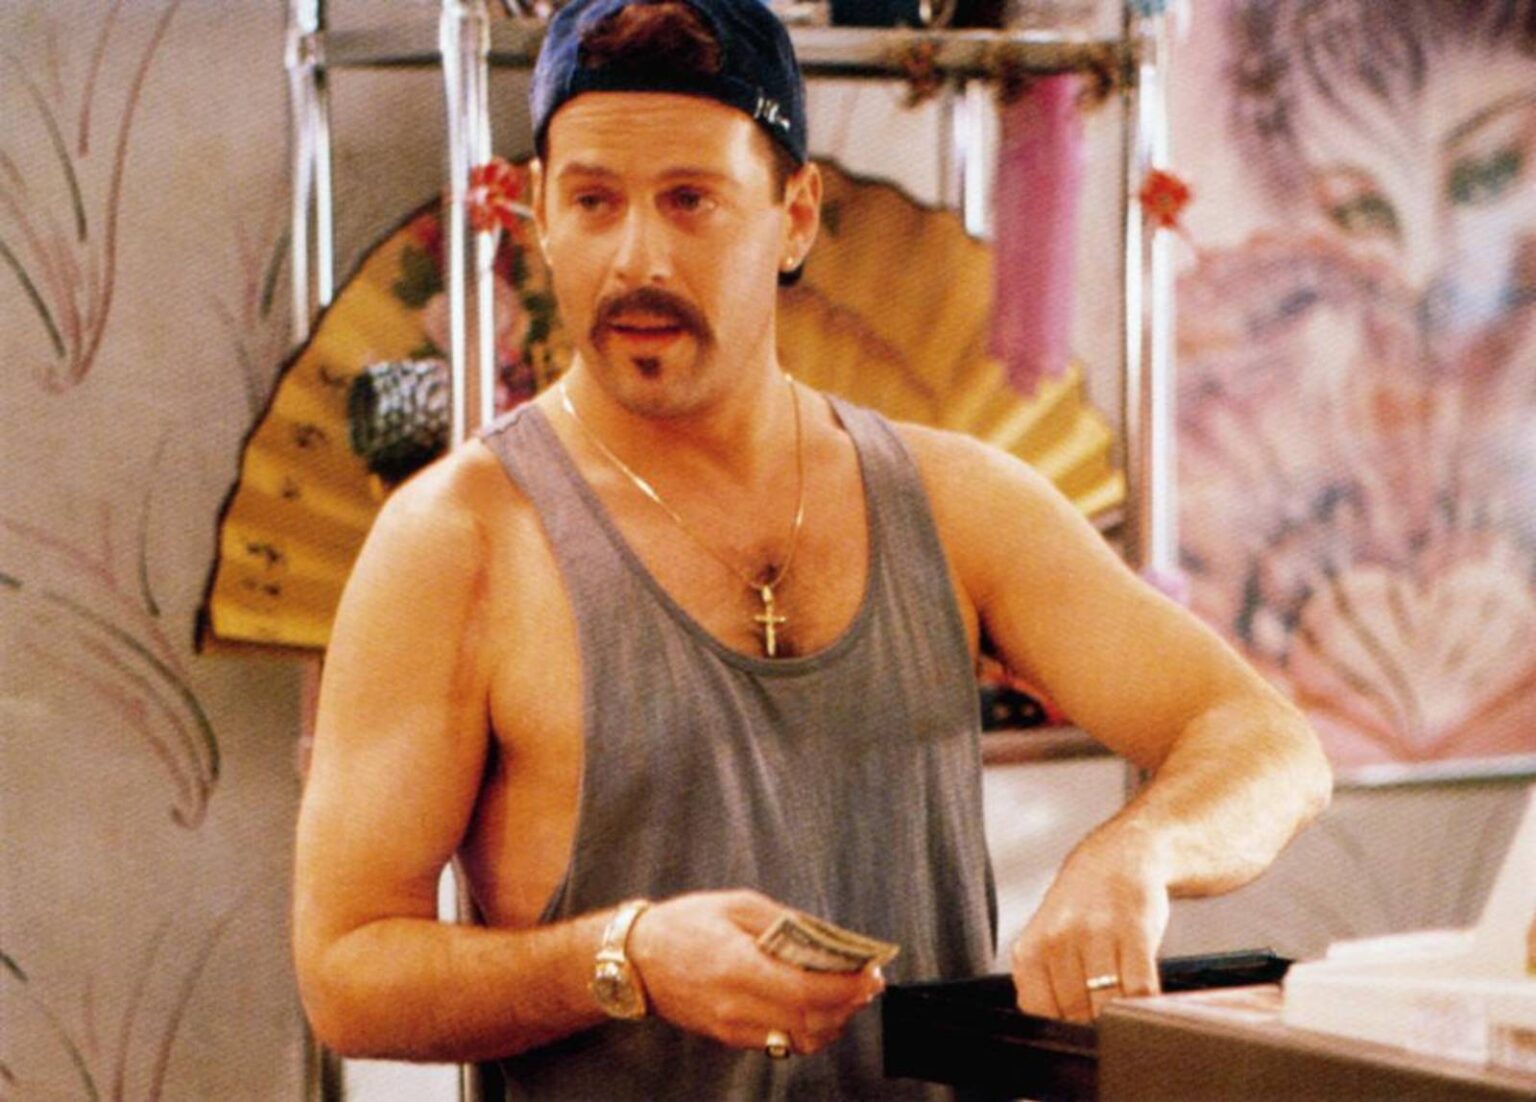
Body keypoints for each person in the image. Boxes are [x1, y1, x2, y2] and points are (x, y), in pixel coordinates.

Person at [291, 0, 1332, 1096]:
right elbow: (347, 974)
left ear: (794, 217)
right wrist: (624, 959)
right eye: (594, 201)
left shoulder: (958, 500)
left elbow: (1266, 744)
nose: (638, 256)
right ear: (541, 212)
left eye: (691, 200)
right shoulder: (454, 541)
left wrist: (1137, 853)